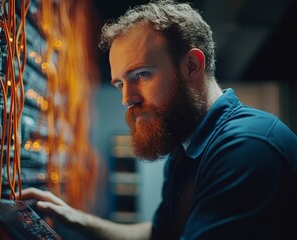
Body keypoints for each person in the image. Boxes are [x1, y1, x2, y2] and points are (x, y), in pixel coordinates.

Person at [21, 0, 297, 239]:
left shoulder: (247, 146)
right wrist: (77, 219)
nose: (127, 98)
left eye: (141, 75)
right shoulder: (184, 147)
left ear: (192, 66)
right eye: (120, 84)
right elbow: (159, 234)